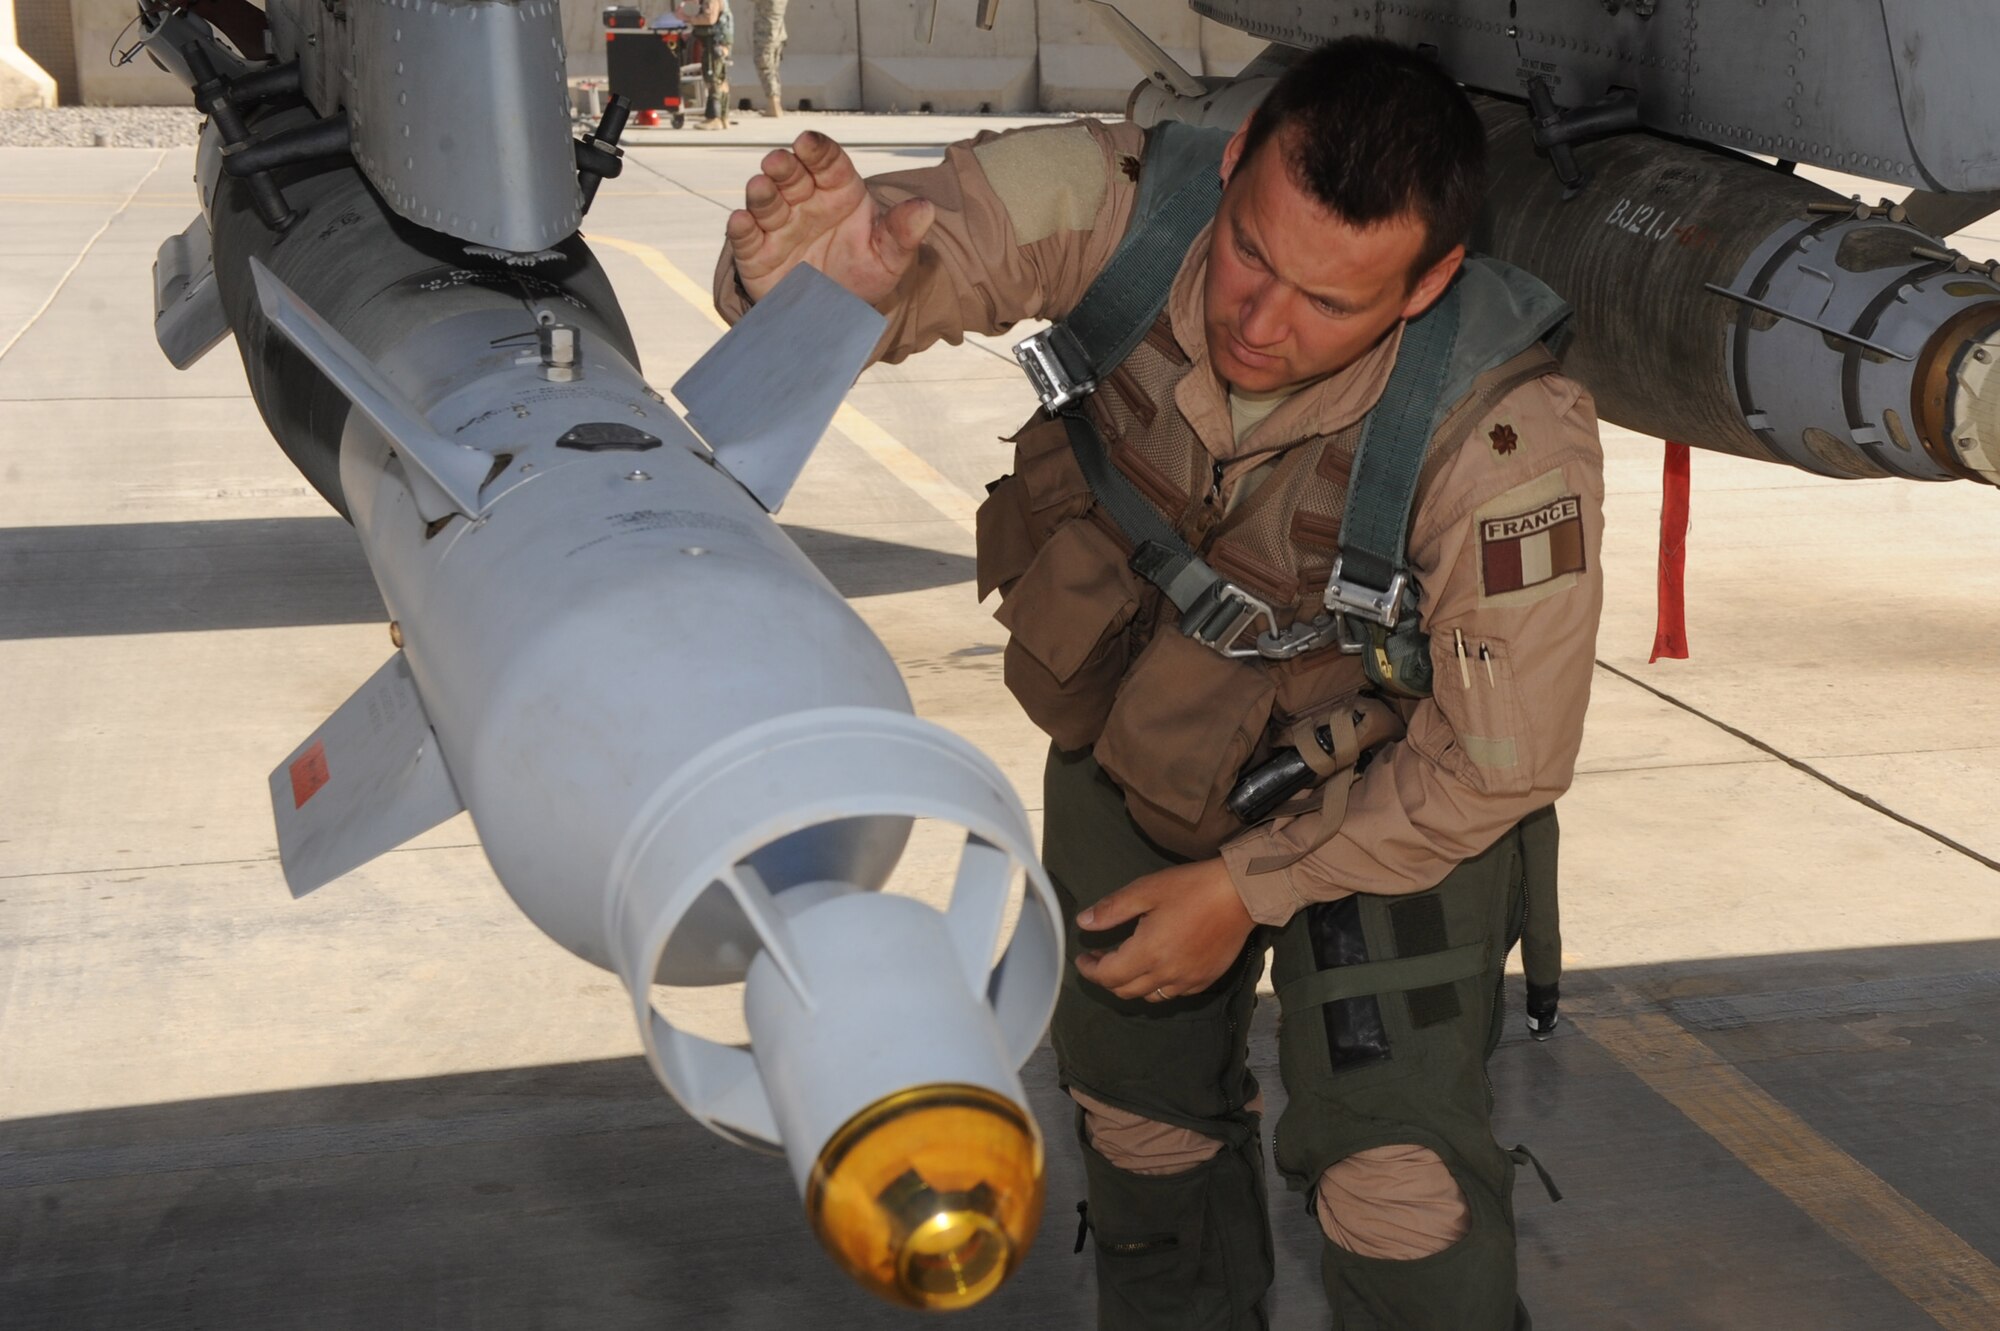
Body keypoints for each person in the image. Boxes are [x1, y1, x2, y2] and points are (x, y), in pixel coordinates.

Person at [713, 38, 1602, 1331]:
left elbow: (1495, 763)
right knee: (1139, 1129)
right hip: (1149, 737)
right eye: (1251, 252)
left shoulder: (1509, 445)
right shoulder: (1119, 197)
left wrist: (1245, 890)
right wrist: (808, 282)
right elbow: (911, 253)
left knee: (1393, 1178)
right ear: (1234, 166)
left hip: (1391, 792)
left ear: (1427, 286)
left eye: (1331, 302)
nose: (1260, 321)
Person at [677, 0, 733, 129]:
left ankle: (715, 118)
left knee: (712, 79)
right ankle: (723, 117)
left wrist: (686, 18)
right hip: (718, 43)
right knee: (720, 79)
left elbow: (709, 19)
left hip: (715, 44)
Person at [751, 0, 786, 116]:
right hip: (779, 32)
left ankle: (773, 105)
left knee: (764, 66)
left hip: (766, 33)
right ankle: (776, 104)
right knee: (773, 68)